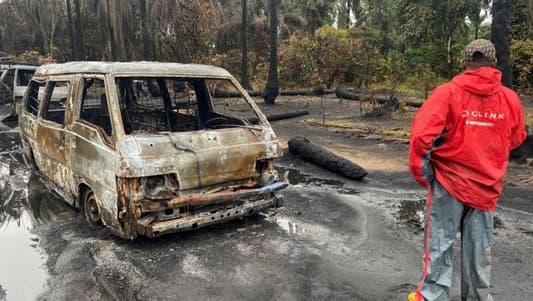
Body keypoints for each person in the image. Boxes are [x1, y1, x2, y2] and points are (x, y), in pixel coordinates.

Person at [407, 39, 527, 301]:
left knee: (439, 243)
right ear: (494, 64)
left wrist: (420, 170)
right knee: (479, 249)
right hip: (487, 186)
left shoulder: (447, 92)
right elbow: (517, 138)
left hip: (449, 183)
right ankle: (477, 297)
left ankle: (432, 296)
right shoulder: (509, 99)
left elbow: (420, 137)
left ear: (464, 63)